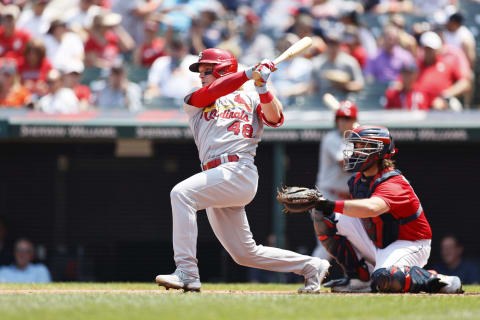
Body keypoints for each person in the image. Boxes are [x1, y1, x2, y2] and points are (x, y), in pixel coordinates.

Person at [155, 48, 330, 293]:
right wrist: (249, 73)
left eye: (207, 70)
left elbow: (276, 118)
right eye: (201, 71)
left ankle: (187, 271)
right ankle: (311, 265)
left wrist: (262, 86)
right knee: (244, 254)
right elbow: (216, 90)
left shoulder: (250, 97)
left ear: (224, 69)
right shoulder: (195, 98)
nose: (201, 75)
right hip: (216, 176)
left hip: (239, 169)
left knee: (181, 193)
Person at [282, 125, 463, 294]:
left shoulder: (394, 182)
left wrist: (329, 203)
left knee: (385, 279)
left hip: (409, 243)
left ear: (378, 152)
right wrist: (323, 207)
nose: (356, 151)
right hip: (379, 241)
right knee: (324, 215)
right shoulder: (357, 180)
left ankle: (442, 281)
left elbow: (373, 208)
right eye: (356, 146)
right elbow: (358, 214)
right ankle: (359, 279)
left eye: (362, 146)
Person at [312, 100, 358, 260]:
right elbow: (346, 164)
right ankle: (312, 278)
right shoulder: (331, 139)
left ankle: (359, 281)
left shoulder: (355, 138)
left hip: (348, 201)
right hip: (328, 198)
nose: (344, 122)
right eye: (342, 118)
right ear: (337, 121)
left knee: (358, 243)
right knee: (328, 244)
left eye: (348, 118)